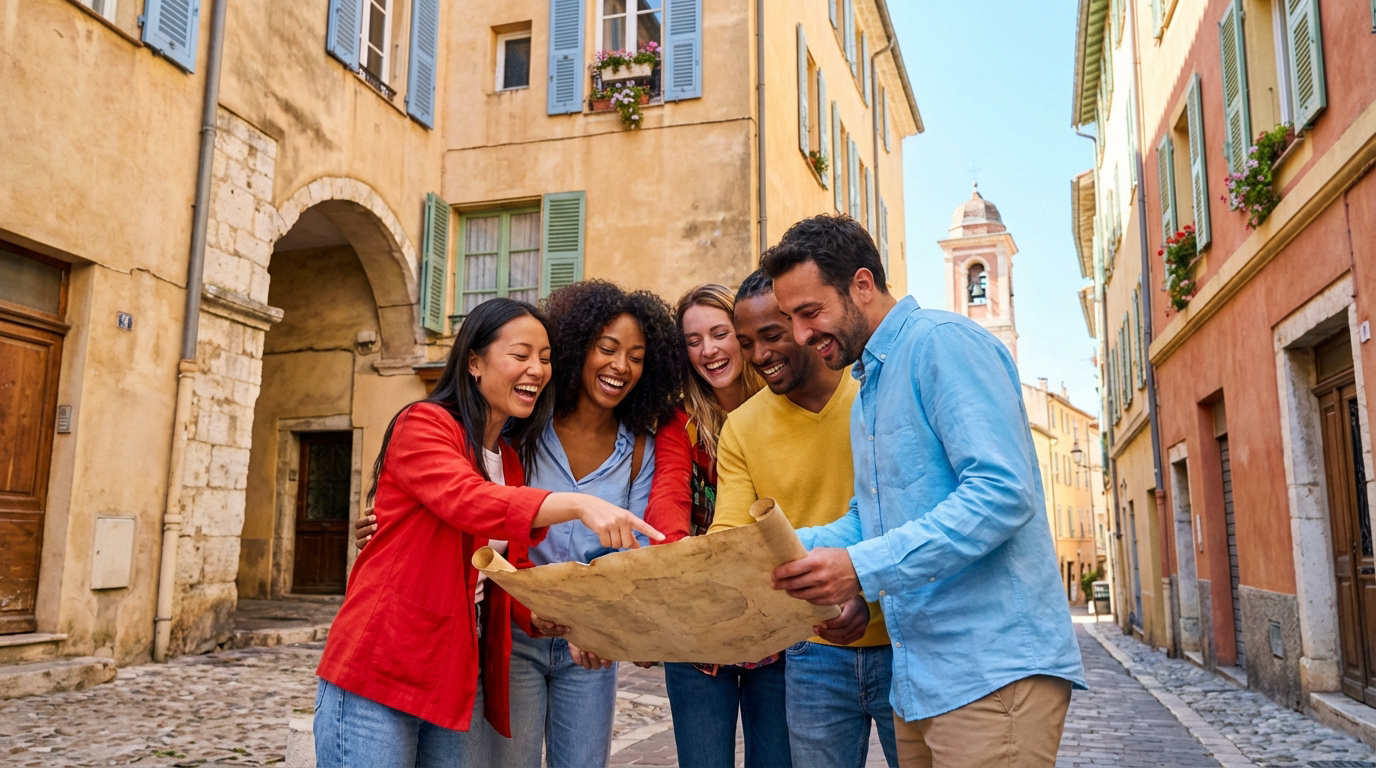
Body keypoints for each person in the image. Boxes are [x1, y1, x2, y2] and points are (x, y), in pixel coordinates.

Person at [761, 215, 1086, 768]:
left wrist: (859, 569)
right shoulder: (869, 384)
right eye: (790, 318)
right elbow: (873, 517)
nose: (799, 335)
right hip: (920, 681)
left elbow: (1001, 493)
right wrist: (774, 556)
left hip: (991, 675)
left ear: (862, 285)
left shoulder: (942, 343)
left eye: (810, 313)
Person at [314, 298, 662, 768]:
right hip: (383, 665)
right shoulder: (425, 424)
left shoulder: (510, 460)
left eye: (544, 358)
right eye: (520, 355)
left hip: (455, 677)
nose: (536, 370)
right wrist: (579, 505)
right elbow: (468, 501)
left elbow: (506, 569)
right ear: (474, 362)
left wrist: (537, 615)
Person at [497, 280, 690, 768]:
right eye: (607, 348)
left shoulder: (640, 449)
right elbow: (484, 508)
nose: (620, 366)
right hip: (516, 635)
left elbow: (632, 550)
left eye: (637, 356)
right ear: (578, 349)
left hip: (592, 646)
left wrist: (602, 624)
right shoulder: (523, 431)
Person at [709, 270, 898, 768]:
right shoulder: (742, 427)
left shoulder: (873, 397)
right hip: (812, 651)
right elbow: (735, 540)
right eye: (746, 342)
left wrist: (860, 589)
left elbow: (902, 513)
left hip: (906, 637)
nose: (759, 355)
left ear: (803, 324)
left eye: (772, 335)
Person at [658, 284, 788, 768]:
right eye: (694, 341)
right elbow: (668, 502)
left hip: (777, 622)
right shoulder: (679, 423)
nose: (709, 350)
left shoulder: (783, 406)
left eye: (720, 333)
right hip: (699, 626)